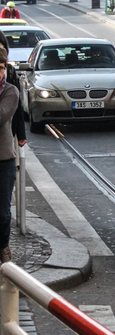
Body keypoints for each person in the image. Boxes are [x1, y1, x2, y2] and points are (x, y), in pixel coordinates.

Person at [0, 48, 19, 263]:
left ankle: (3, 246)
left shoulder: (10, 91)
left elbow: (2, 115)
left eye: (1, 68)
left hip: (3, 159)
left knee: (3, 213)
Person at [0, 32, 27, 148]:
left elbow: (17, 103)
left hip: (8, 126)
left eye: (2, 49)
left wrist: (21, 133)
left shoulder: (10, 71)